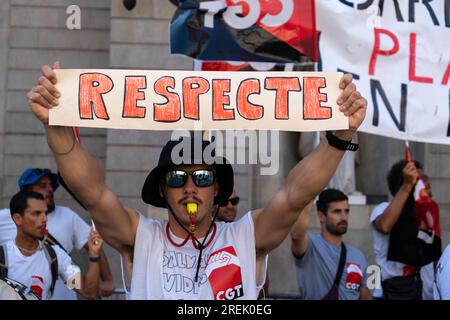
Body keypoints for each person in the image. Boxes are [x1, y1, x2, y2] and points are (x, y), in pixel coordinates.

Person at [26, 61, 366, 299]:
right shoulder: (141, 238)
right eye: (177, 178)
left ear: (216, 188)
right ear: (162, 190)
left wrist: (339, 137)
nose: (190, 187)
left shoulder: (247, 237)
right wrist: (55, 129)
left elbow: (296, 194)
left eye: (202, 177)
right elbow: (94, 194)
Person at [0, 168, 114, 299]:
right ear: (17, 218)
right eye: (37, 214)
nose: (44, 219)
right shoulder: (3, 256)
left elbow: (88, 292)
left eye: (44, 213)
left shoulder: (56, 256)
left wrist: (94, 257)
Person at [370, 160, 440, 300]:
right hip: (396, 293)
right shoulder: (384, 209)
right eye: (420, 179)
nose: (427, 183)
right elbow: (385, 226)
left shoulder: (427, 215)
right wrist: (407, 187)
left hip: (425, 293)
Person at [291, 188, 372, 300]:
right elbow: (296, 235)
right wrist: (311, 190)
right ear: (321, 216)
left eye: (346, 211)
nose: (344, 217)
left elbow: (364, 294)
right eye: (337, 212)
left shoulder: (358, 256)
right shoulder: (310, 246)